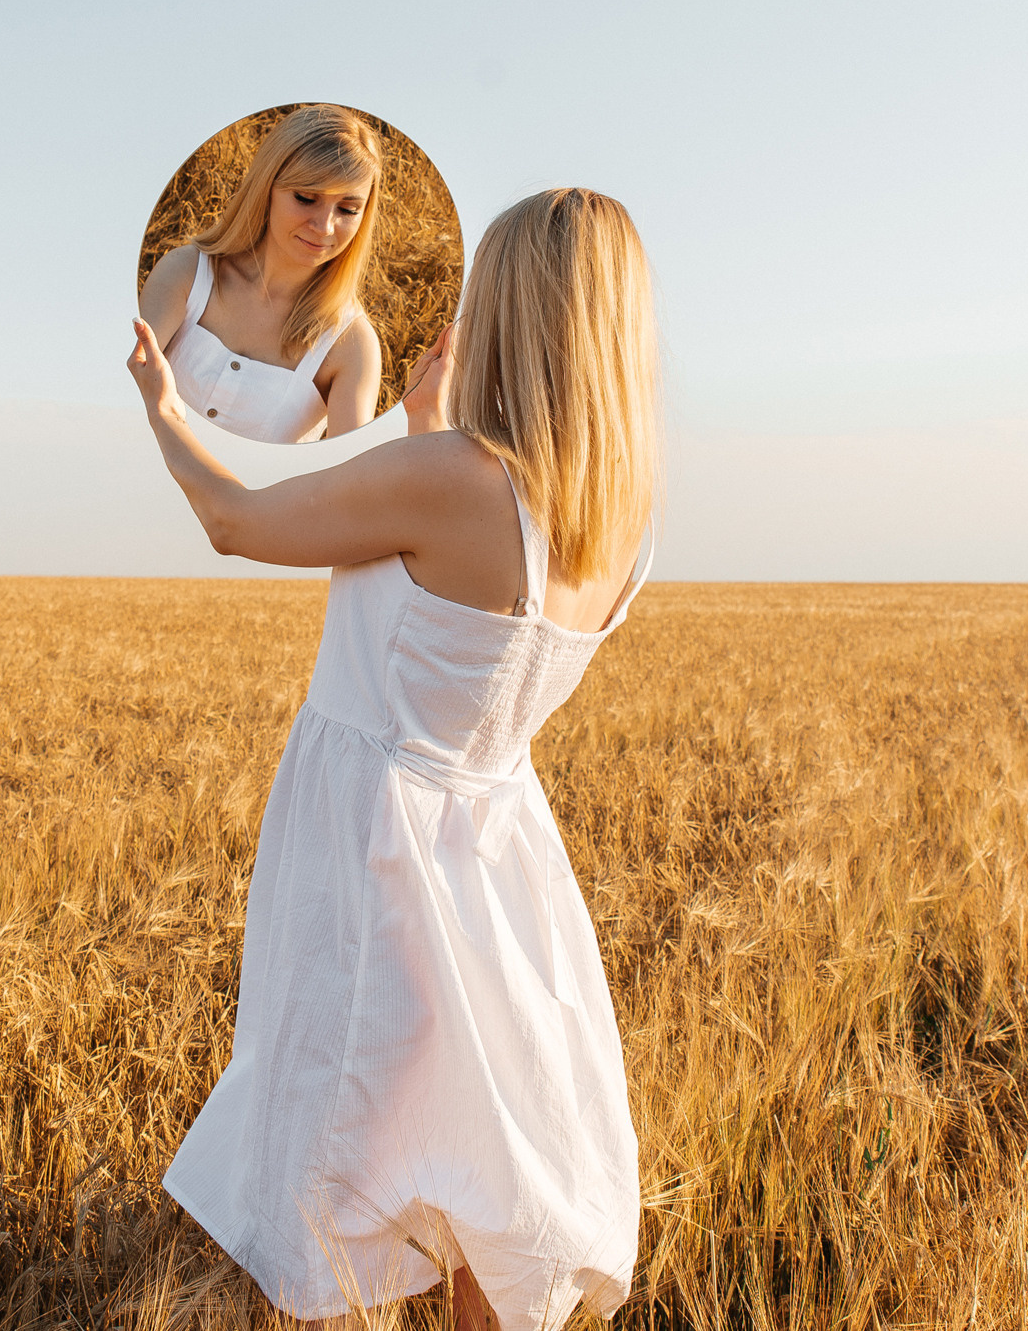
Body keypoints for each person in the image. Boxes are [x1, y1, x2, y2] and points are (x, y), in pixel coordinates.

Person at [125, 189, 660, 1331]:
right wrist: (420, 428)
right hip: (494, 845)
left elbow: (236, 519)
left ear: (511, 313)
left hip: (372, 834)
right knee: (476, 1135)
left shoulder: (455, 477)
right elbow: (457, 607)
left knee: (334, 1131)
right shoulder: (620, 520)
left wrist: (163, 408)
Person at [138, 105, 387, 444]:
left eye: (347, 209)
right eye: (305, 198)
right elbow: (119, 396)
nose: (324, 227)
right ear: (266, 188)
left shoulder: (351, 345)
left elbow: (347, 481)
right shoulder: (186, 273)